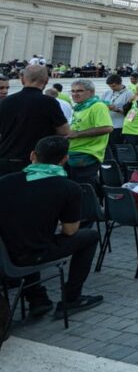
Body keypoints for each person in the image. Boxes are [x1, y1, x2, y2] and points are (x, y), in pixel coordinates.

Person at [0, 136, 104, 319]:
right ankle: (71, 299)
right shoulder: (69, 188)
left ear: (33, 155)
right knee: (90, 236)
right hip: (32, 254)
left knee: (27, 232)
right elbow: (70, 231)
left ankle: (38, 298)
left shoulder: (5, 181)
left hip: (5, 253)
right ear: (64, 159)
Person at [0, 64, 69, 176]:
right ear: (46, 81)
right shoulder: (49, 103)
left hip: (6, 161)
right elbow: (64, 131)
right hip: (36, 164)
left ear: (22, 79)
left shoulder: (6, 102)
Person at [66, 79, 113, 190]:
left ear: (91, 92)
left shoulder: (98, 106)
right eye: (72, 91)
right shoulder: (80, 107)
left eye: (79, 91)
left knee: (83, 190)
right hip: (73, 153)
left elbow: (107, 128)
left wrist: (77, 134)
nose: (74, 94)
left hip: (86, 154)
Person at [101, 74, 132, 146]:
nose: (112, 88)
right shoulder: (107, 93)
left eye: (113, 86)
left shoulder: (129, 94)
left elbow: (132, 115)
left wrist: (116, 109)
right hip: (106, 125)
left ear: (120, 83)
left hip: (120, 127)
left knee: (116, 148)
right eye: (110, 86)